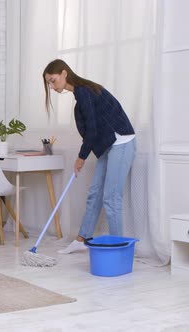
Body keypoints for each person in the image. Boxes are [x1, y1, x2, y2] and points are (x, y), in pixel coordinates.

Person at [42, 59, 136, 254]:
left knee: (111, 198)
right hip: (109, 145)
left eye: (52, 80)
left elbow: (92, 131)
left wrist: (81, 158)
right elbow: (93, 131)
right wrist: (84, 155)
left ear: (64, 73)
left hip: (122, 142)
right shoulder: (81, 96)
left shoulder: (85, 92)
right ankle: (82, 239)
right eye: (48, 83)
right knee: (95, 194)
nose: (51, 86)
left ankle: (119, 249)